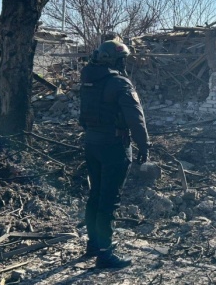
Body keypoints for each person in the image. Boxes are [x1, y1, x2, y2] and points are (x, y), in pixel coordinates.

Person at [79, 40, 150, 268]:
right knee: (109, 200)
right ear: (116, 60)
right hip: (114, 146)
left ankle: (94, 244)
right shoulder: (120, 83)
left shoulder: (88, 79)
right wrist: (144, 145)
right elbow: (135, 118)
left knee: (96, 194)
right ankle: (105, 253)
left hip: (91, 143)